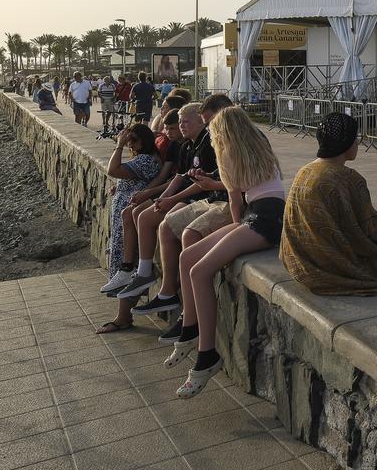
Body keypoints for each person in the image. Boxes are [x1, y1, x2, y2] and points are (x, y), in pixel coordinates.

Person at [163, 107, 286, 397]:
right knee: (187, 256)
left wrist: (234, 233)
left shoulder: (227, 152)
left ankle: (207, 355)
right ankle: (190, 329)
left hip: (260, 221)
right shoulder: (257, 146)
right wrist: (236, 230)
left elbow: (234, 204)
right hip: (269, 214)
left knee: (199, 270)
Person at [281, 112, 377, 295]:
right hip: (334, 263)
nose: (357, 143)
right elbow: (367, 234)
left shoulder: (305, 171)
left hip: (301, 260)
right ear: (345, 143)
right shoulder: (349, 179)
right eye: (355, 138)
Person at [119, 94, 236, 324]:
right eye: (177, 123)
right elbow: (186, 177)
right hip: (210, 197)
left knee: (181, 233)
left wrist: (171, 199)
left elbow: (231, 184)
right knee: (145, 218)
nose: (180, 128)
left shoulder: (217, 143)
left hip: (214, 200)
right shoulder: (190, 145)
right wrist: (162, 197)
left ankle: (187, 316)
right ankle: (158, 285)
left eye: (184, 122)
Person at [96, 124, 164, 333]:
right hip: (126, 221)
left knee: (126, 268)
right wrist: (121, 185)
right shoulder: (146, 159)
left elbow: (112, 169)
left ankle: (123, 318)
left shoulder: (146, 160)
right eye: (128, 140)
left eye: (133, 140)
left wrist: (118, 146)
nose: (130, 144)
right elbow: (129, 177)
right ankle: (122, 316)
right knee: (124, 268)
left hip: (129, 221)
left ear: (145, 140)